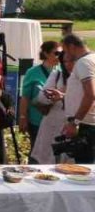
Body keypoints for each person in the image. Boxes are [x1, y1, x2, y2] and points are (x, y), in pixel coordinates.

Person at [45, 34, 95, 163]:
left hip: (86, 125)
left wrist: (75, 122)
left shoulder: (84, 62)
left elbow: (90, 94)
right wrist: (64, 97)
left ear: (72, 46)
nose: (64, 55)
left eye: (65, 50)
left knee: (85, 170)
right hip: (87, 123)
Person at [19, 41, 60, 147]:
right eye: (56, 53)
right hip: (37, 121)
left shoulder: (62, 72)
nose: (59, 56)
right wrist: (23, 117)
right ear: (46, 54)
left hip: (56, 121)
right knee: (37, 152)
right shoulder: (32, 72)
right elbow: (25, 97)